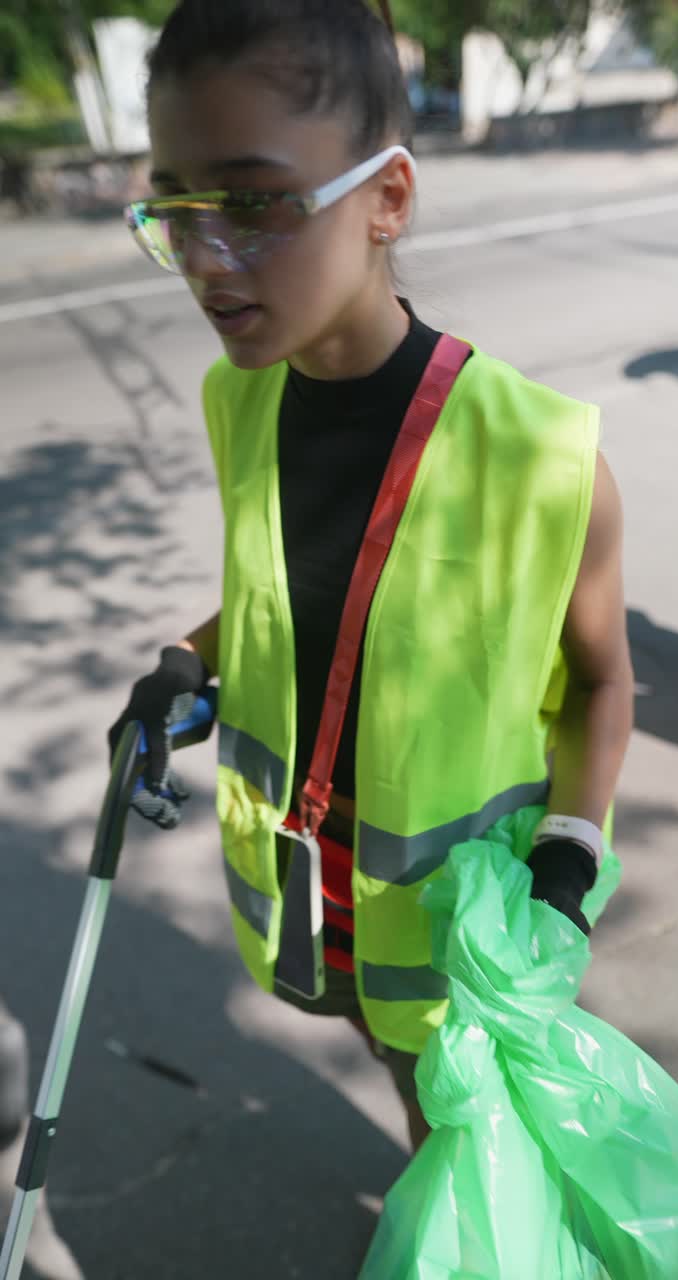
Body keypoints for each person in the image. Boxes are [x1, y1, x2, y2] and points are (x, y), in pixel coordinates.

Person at [110, 0, 634, 1155]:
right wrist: (185, 664)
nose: (204, 257)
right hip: (310, 887)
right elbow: (284, 594)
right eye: (180, 208)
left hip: (462, 922)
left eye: (252, 203)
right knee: (405, 1081)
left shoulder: (543, 457)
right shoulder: (235, 396)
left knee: (459, 1120)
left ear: (387, 198)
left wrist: (570, 854)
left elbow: (603, 684)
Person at [0, 1005, 84, 1279]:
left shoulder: (6, 1039)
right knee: (39, 1242)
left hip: (7, 1157)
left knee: (37, 1241)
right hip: (12, 1147)